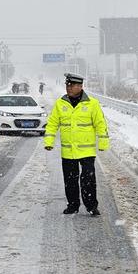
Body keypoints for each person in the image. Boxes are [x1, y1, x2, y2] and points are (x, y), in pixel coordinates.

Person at [43, 73, 110, 216]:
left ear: (80, 87)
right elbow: (52, 124)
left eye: (71, 85)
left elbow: (100, 124)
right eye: (67, 85)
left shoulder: (92, 104)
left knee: (88, 181)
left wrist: (103, 143)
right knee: (70, 181)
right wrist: (48, 142)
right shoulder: (61, 104)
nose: (68, 88)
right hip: (68, 151)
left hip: (87, 151)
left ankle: (91, 206)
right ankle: (73, 205)